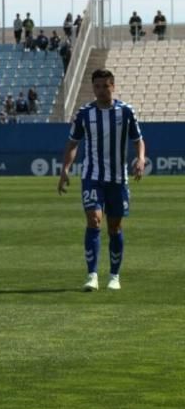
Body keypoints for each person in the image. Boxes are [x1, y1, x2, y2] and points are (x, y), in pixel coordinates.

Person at [58, 69, 145, 292]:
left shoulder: (126, 112)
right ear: (93, 88)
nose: (101, 91)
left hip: (117, 178)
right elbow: (73, 143)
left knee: (115, 227)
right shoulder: (84, 113)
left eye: (105, 86)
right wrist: (65, 168)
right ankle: (92, 275)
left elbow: (138, 140)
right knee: (94, 220)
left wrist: (141, 159)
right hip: (92, 176)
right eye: (97, 87)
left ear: (112, 86)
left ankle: (114, 276)